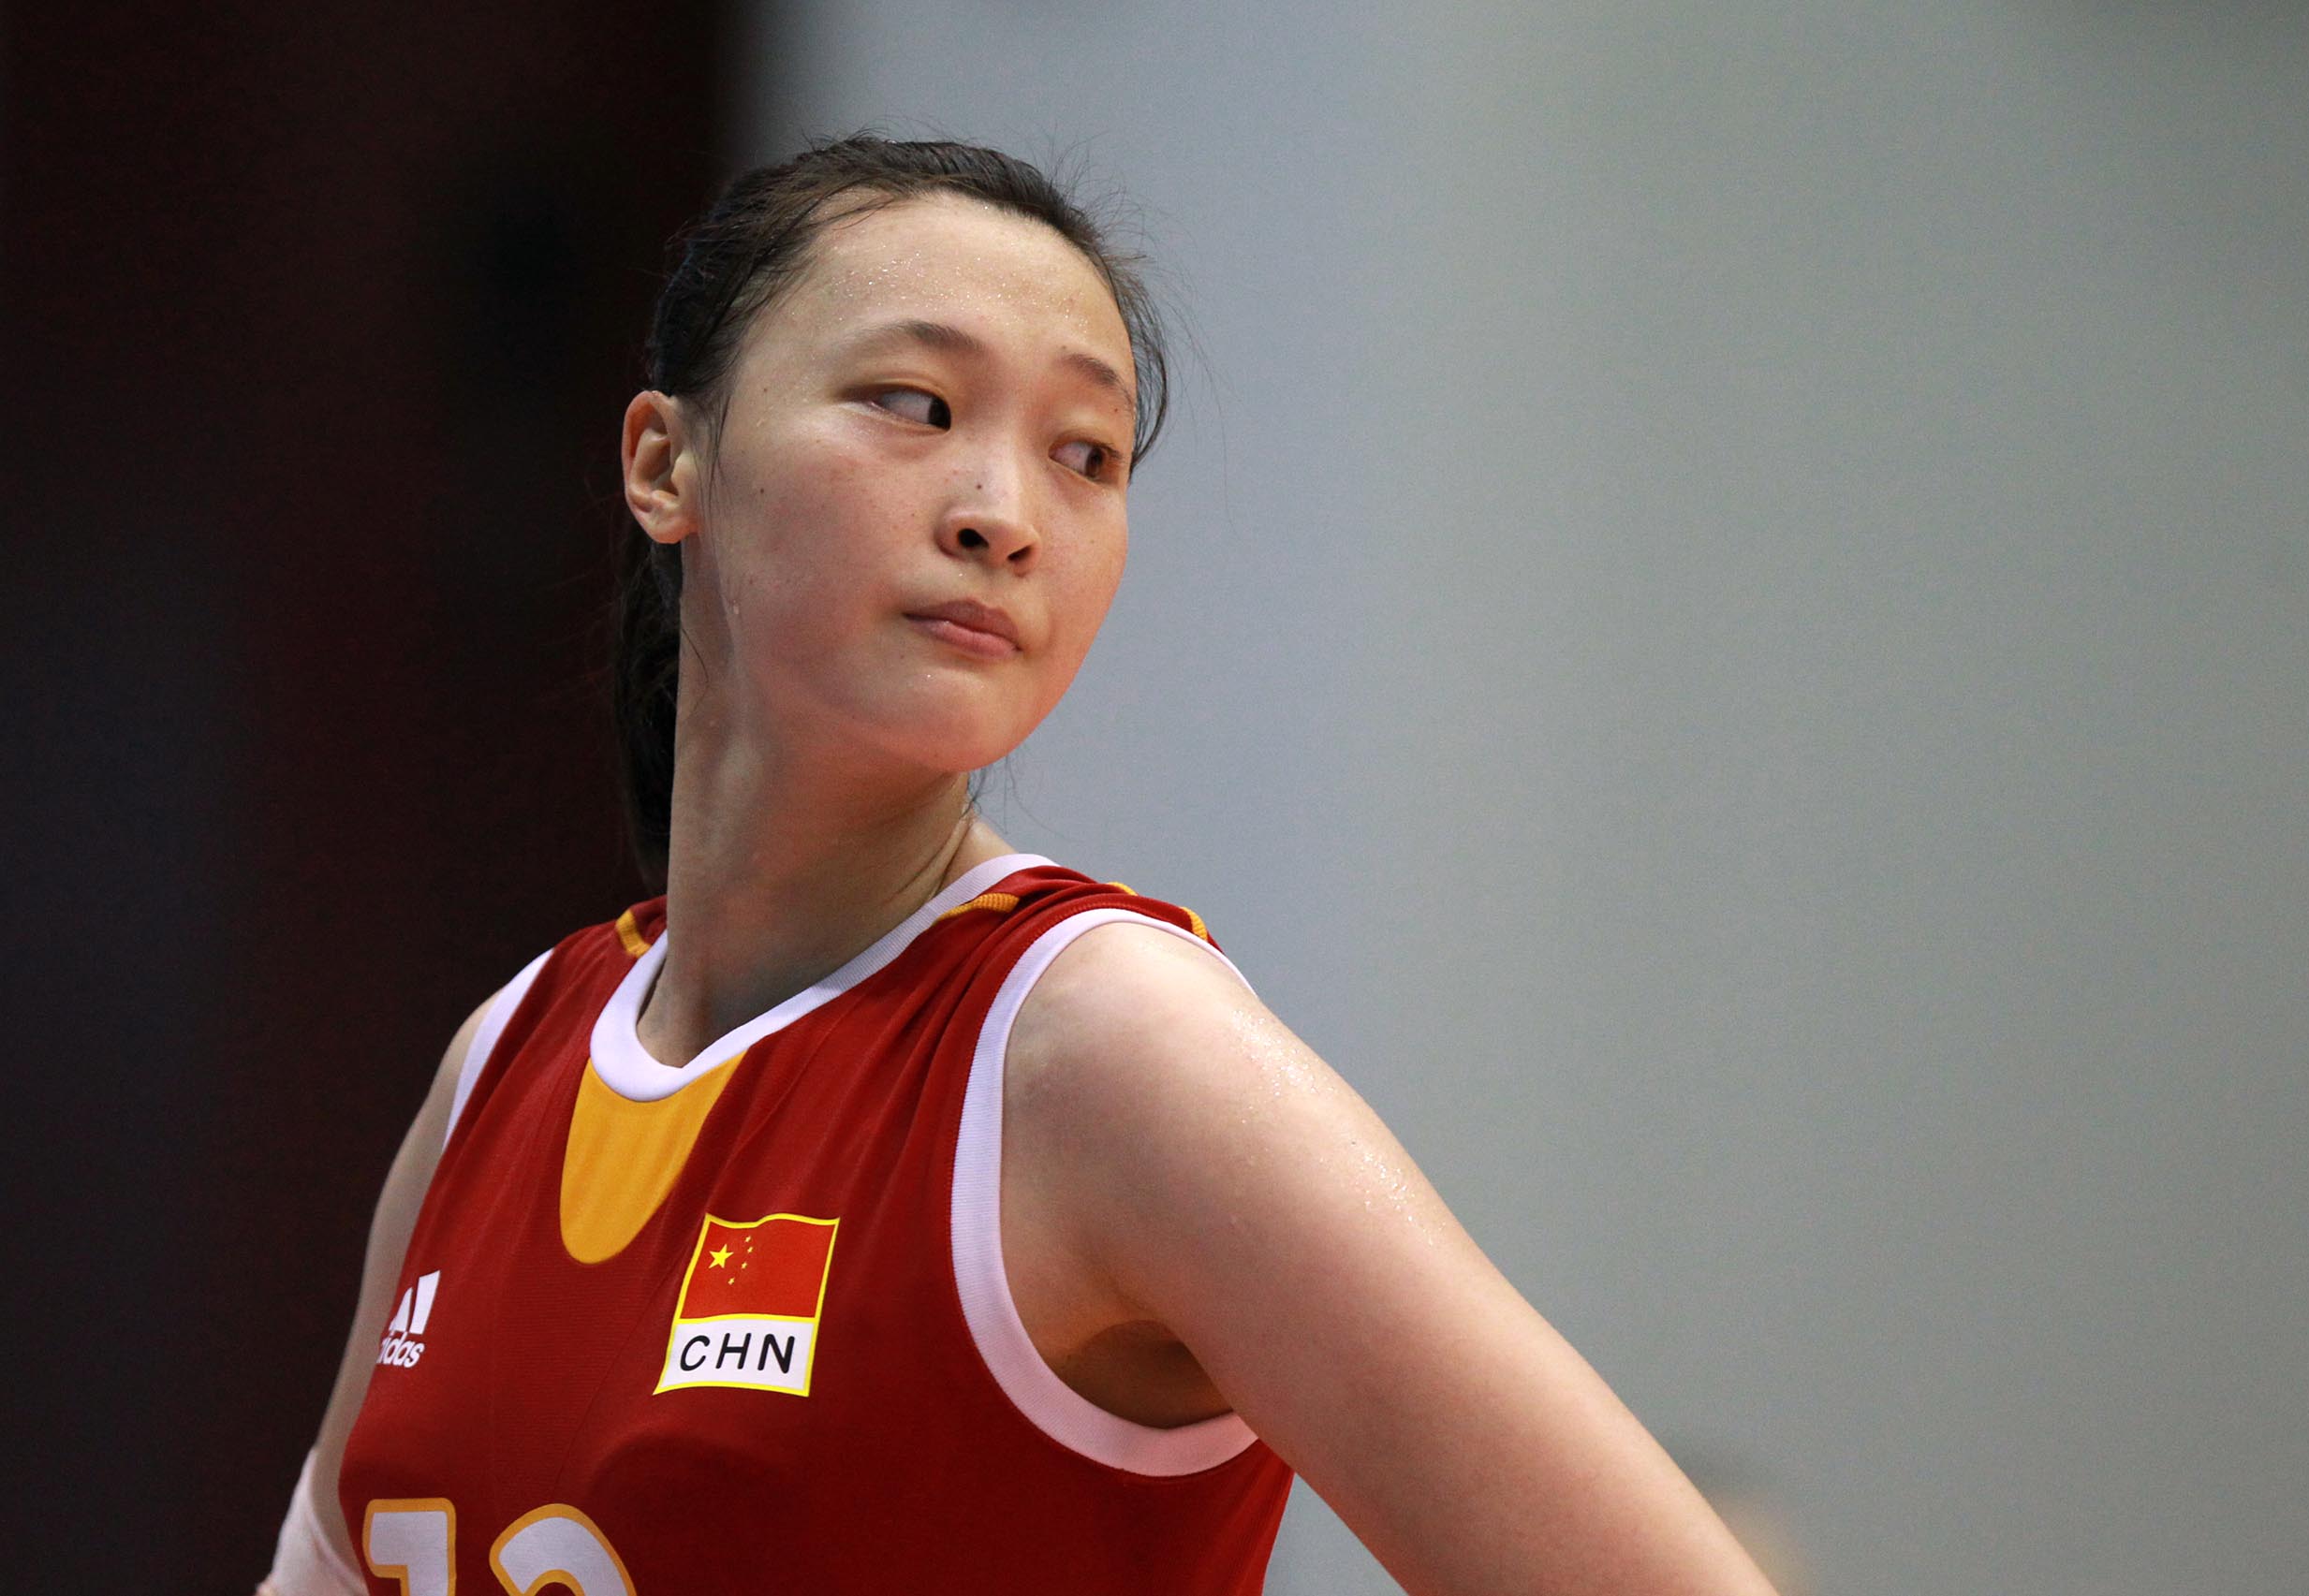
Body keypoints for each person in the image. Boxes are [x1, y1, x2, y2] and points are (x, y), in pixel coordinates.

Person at [258, 135, 1782, 1596]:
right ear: (668, 463)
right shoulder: (505, 1055)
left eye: (1084, 453)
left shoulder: (1116, 1052)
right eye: (915, 404)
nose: (1003, 515)